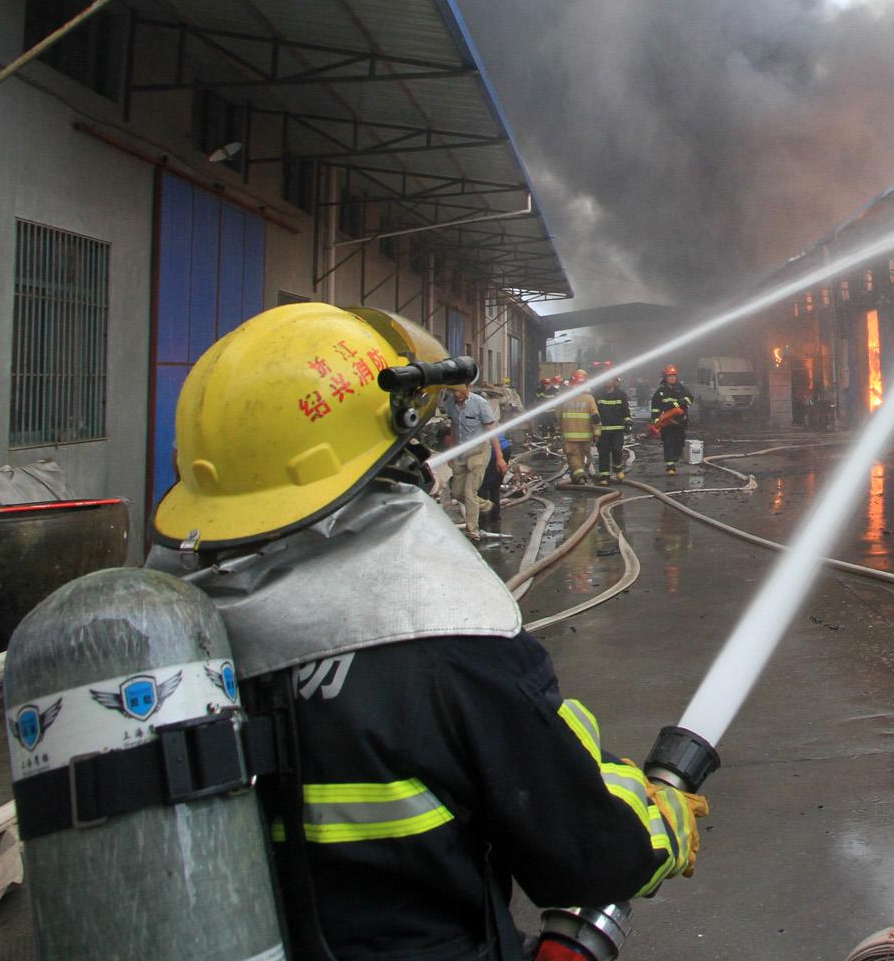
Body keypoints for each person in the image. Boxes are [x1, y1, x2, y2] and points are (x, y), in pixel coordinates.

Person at [150, 303, 706, 960]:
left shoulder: (156, 646)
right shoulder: (448, 643)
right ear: (394, 454)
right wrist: (658, 815)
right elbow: (589, 858)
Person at [438, 381, 501, 540]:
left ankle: (472, 531)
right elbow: (454, 428)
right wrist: (451, 453)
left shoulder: (480, 404)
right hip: (461, 452)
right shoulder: (450, 403)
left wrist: (499, 457)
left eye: (460, 390)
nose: (456, 394)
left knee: (469, 492)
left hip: (479, 452)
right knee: (457, 493)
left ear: (469, 388)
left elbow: (492, 431)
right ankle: (485, 505)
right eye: (453, 390)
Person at [651, 365, 695, 477]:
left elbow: (690, 398)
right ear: (665, 377)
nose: (672, 378)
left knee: (680, 443)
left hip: (680, 421)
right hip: (667, 422)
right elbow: (655, 408)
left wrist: (678, 403)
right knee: (668, 442)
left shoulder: (682, 388)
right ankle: (670, 466)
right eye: (670, 376)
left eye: (674, 375)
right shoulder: (660, 392)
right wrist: (656, 421)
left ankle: (675, 458)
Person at [559, 370, 601, 483]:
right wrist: (597, 433)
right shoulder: (589, 398)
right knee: (582, 455)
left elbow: (557, 415)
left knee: (573, 456)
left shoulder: (564, 397)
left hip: (569, 436)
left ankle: (579, 475)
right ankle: (580, 474)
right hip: (586, 436)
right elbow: (596, 417)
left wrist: (559, 428)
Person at [596, 376, 634, 482]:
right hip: (602, 430)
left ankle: (618, 468)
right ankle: (604, 476)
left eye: (610, 379)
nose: (608, 381)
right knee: (603, 453)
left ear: (614, 381)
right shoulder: (597, 394)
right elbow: (593, 411)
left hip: (617, 429)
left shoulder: (621, 394)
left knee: (617, 450)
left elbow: (626, 411)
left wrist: (628, 422)